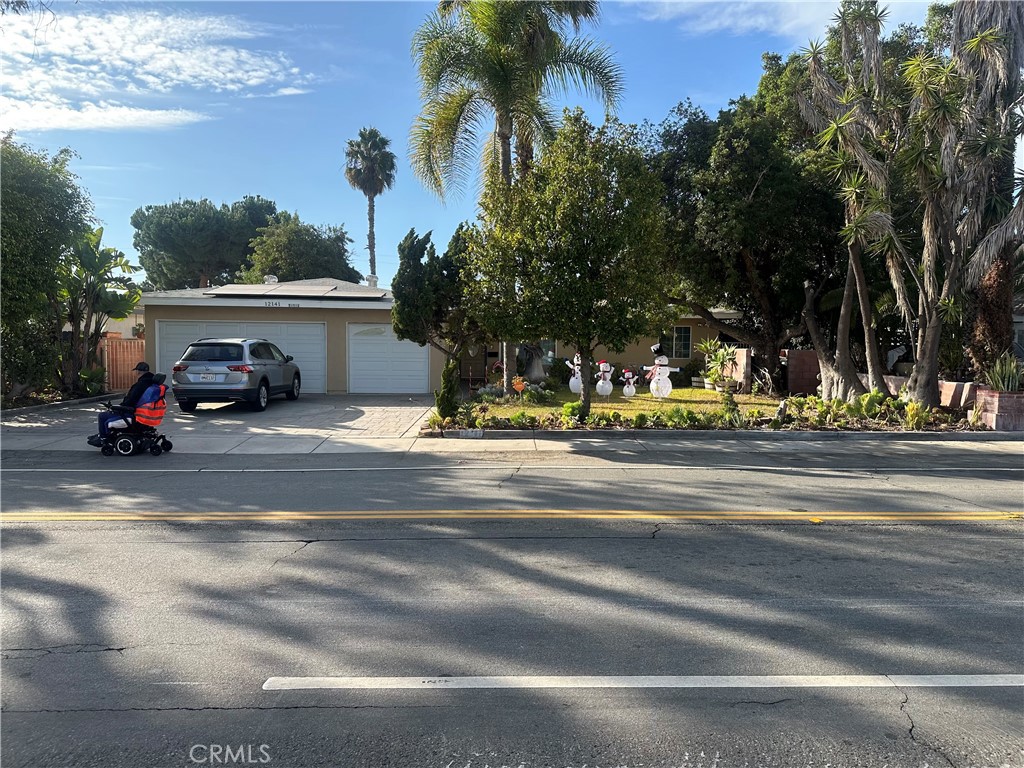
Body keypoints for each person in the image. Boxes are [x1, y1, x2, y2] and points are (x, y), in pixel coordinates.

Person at [88, 362, 155, 446]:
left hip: (131, 413)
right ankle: (101, 435)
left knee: (102, 416)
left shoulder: (139, 385)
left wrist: (118, 407)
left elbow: (131, 400)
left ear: (138, 372)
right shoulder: (151, 384)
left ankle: (103, 438)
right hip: (143, 412)